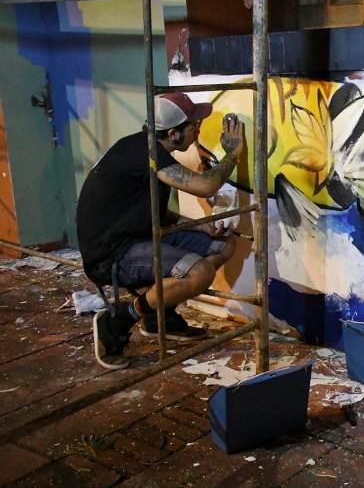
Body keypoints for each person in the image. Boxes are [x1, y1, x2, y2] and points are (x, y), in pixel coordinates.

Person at [76, 92, 245, 370]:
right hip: (112, 253)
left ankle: (159, 316)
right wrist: (232, 155)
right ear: (173, 133)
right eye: (194, 125)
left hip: (136, 238)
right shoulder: (147, 153)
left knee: (223, 245)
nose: (198, 130)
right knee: (200, 272)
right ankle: (120, 319)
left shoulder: (149, 148)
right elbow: (205, 186)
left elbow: (151, 212)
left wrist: (201, 225)